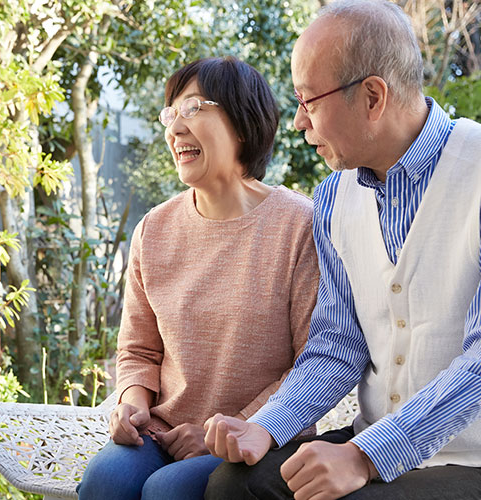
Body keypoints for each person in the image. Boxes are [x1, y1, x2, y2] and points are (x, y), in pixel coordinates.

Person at [203, 1, 481, 499]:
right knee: (234, 486)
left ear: (373, 96)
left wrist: (367, 455)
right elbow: (338, 343)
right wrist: (266, 427)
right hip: (369, 441)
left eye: (308, 100)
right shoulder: (334, 197)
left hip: (471, 457)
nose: (296, 122)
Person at [76, 56, 320, 500]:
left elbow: (312, 362)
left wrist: (225, 431)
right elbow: (137, 350)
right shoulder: (155, 228)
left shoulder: (300, 225)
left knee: (169, 491)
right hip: (162, 431)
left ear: (243, 123)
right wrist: (132, 405)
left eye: (192, 109)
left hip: (261, 436)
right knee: (106, 480)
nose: (174, 128)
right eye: (170, 114)